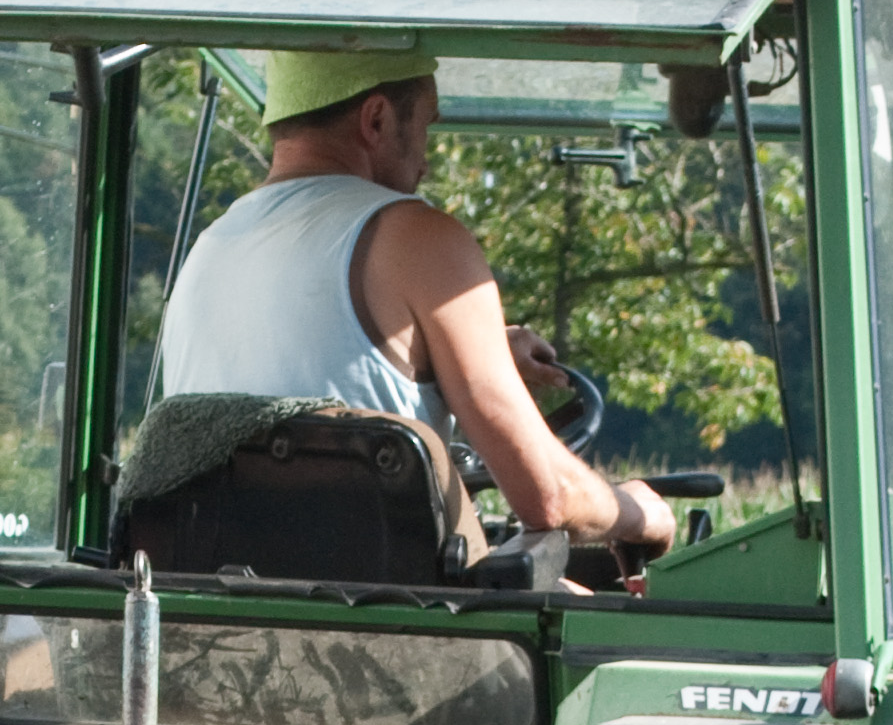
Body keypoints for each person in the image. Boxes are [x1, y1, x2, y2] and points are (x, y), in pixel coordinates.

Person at [156, 48, 682, 556]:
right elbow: (549, 496)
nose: (427, 161)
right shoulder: (417, 235)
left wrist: (467, 355)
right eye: (427, 124)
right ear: (377, 119)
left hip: (222, 613)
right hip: (382, 625)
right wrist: (639, 511)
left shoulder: (209, 250)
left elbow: (306, 366)